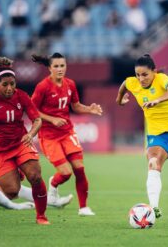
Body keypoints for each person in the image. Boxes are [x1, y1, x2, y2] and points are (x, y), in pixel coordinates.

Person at [116, 54, 168, 218]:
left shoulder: (161, 79)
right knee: (153, 163)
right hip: (157, 135)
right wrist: (119, 100)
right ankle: (153, 208)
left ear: (153, 72)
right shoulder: (133, 82)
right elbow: (125, 84)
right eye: (138, 74)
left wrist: (157, 100)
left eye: (145, 74)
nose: (140, 78)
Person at [31, 53, 103, 216]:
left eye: (62, 65)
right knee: (65, 173)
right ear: (49, 68)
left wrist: (89, 109)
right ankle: (53, 186)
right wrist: (52, 119)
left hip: (67, 132)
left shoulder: (70, 84)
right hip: (48, 136)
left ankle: (83, 208)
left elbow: (75, 106)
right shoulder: (43, 87)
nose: (60, 69)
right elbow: (32, 109)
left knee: (80, 168)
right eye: (56, 66)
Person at [0, 57, 49, 224]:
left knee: (35, 176)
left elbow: (37, 119)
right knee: (12, 191)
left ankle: (41, 216)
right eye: (5, 85)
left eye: (12, 84)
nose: (9, 88)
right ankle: (17, 170)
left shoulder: (21, 96)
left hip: (20, 143)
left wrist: (30, 134)